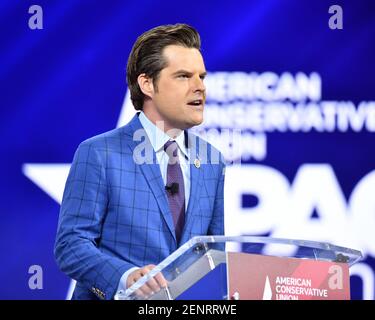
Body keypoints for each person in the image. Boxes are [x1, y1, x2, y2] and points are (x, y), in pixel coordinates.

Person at [54, 23, 226, 300]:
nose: (199, 87)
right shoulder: (99, 153)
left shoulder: (212, 161)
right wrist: (126, 277)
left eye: (202, 77)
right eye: (183, 76)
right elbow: (71, 245)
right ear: (147, 83)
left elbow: (214, 255)